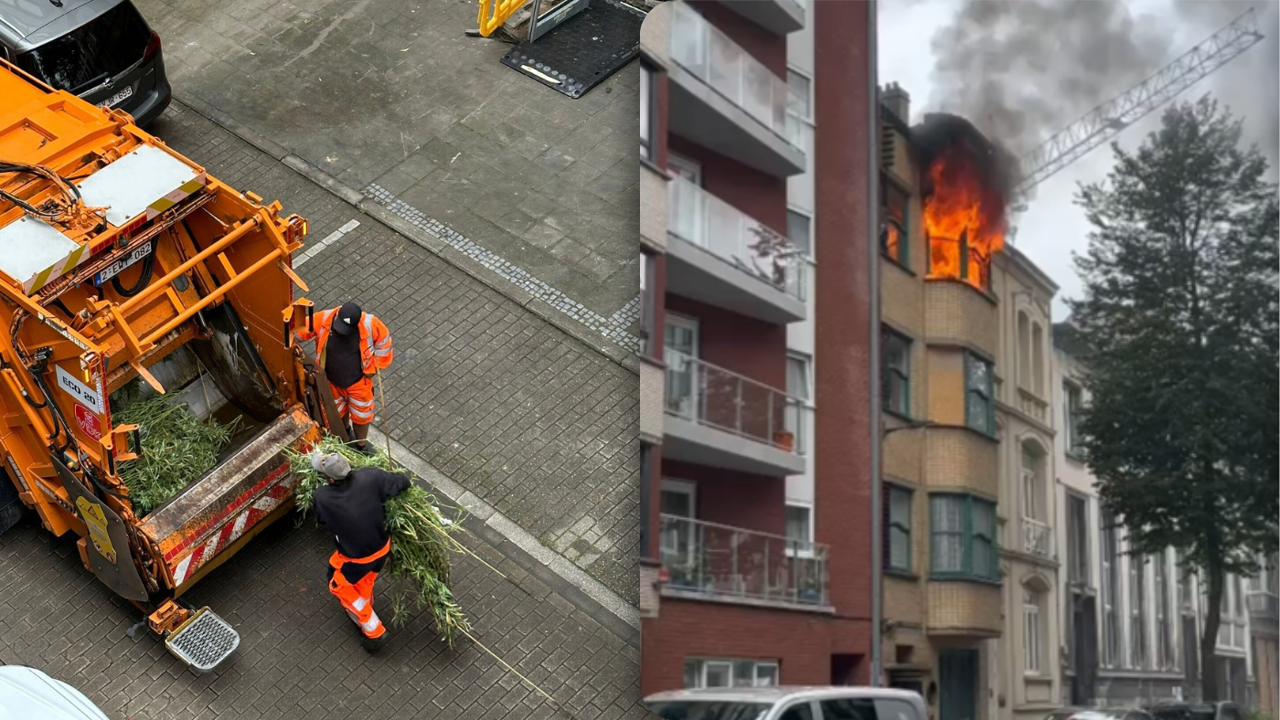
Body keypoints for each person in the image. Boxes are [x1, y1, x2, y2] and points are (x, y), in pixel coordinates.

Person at [310, 451, 410, 652]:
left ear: (330, 479)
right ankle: (365, 603)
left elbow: (321, 520)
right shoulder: (370, 476)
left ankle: (373, 630)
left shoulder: (322, 497)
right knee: (364, 579)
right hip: (383, 547)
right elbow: (403, 482)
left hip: (357, 556)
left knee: (336, 582)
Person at [296, 301, 393, 455]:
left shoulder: (370, 324)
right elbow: (297, 333)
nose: (341, 332)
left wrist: (376, 366)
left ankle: (361, 446)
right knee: (336, 412)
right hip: (330, 381)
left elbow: (384, 342)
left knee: (362, 416)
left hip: (359, 382)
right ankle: (345, 433)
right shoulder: (323, 319)